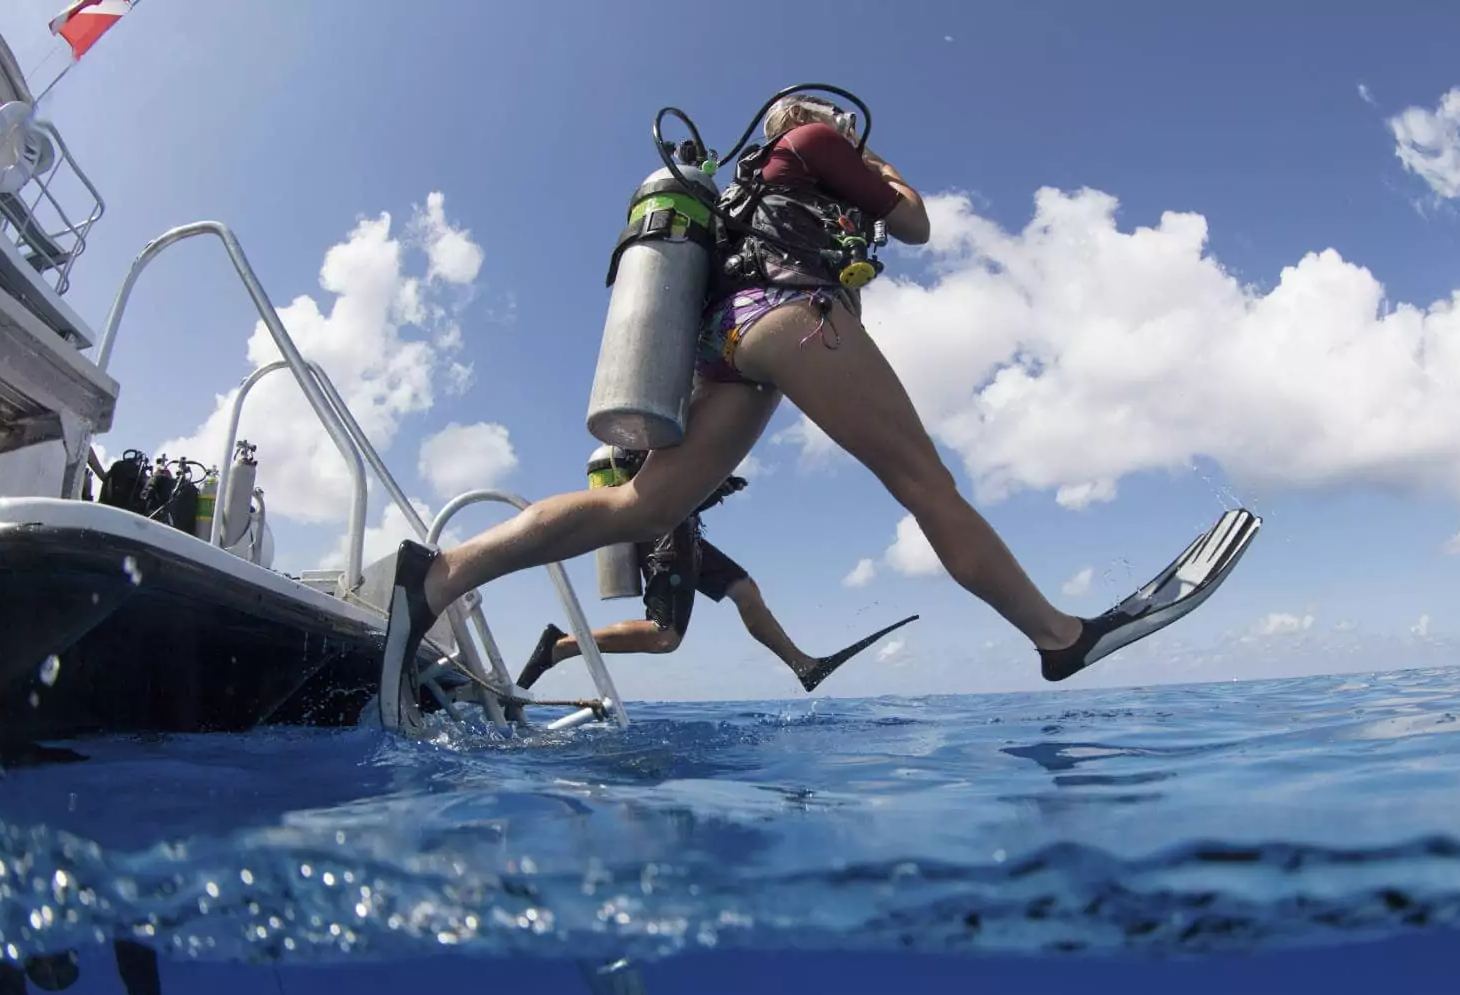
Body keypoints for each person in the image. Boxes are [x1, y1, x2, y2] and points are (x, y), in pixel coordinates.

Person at [380, 92, 1259, 730]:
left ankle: (440, 576)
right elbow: (913, 224)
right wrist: (881, 168)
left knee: (642, 506)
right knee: (926, 482)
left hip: (728, 345)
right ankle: (1060, 638)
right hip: (792, 316)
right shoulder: (812, 142)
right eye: (826, 119)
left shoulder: (737, 195)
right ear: (797, 121)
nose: (840, 125)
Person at [515, 452, 916, 695]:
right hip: (667, 531)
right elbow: (664, 484)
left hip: (683, 527)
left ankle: (803, 666)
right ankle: (561, 646)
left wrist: (715, 488)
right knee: (663, 635)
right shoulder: (666, 425)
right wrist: (713, 487)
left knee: (745, 590)